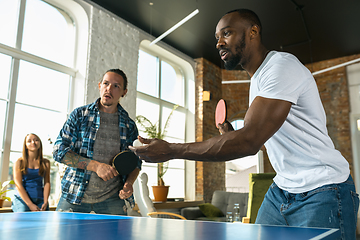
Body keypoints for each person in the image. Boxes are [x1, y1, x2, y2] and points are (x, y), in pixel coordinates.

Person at [130, 9, 359, 239]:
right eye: (216, 37)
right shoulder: (257, 81)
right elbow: (263, 142)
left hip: (323, 188)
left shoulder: (280, 67)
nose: (219, 43)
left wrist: (171, 150)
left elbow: (249, 141)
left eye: (226, 33)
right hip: (282, 189)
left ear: (253, 32)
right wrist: (233, 134)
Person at [53, 68, 141, 215]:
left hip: (112, 198)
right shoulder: (79, 115)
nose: (109, 89)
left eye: (116, 86)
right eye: (106, 83)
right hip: (74, 194)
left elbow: (135, 162)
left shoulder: (129, 125)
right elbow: (58, 150)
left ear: (124, 92)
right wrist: (95, 166)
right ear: (100, 85)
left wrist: (129, 184)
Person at [12, 133, 51, 212]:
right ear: (25, 145)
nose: (33, 142)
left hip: (40, 200)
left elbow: (47, 183)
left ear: (40, 143)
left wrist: (46, 201)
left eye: (36, 140)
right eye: (29, 141)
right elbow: (18, 184)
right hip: (22, 200)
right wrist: (30, 204)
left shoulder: (46, 162)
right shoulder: (19, 162)